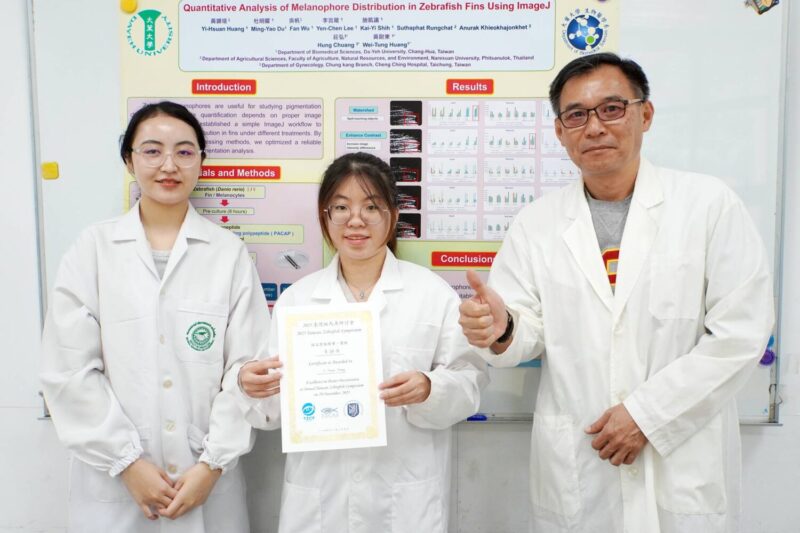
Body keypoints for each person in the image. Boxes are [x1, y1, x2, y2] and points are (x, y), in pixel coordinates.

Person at [458, 53, 774, 533]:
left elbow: (740, 334)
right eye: (576, 115)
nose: (594, 127)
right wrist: (502, 329)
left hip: (681, 461)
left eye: (611, 108)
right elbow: (523, 330)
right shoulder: (536, 224)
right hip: (582, 464)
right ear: (560, 131)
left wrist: (647, 415)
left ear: (645, 114)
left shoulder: (709, 206)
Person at [40, 101, 269, 532]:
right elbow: (68, 371)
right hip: (113, 489)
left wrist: (212, 465)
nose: (169, 165)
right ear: (129, 161)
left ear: (201, 161)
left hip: (207, 485)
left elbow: (246, 370)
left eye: (184, 151)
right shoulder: (93, 250)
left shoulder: (228, 254)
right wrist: (127, 463)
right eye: (151, 151)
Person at [238, 151, 488, 533]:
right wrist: (254, 387)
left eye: (371, 207)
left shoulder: (431, 294)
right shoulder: (297, 301)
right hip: (320, 503)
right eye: (341, 207)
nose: (355, 220)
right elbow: (272, 412)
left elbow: (469, 383)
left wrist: (429, 388)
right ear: (325, 216)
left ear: (393, 215)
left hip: (405, 503)